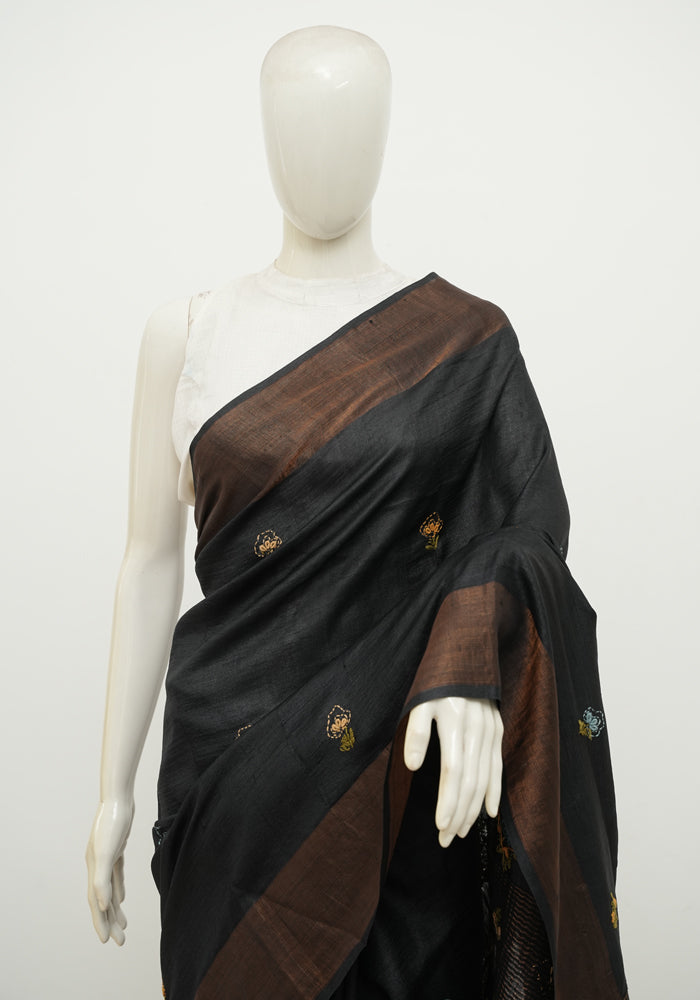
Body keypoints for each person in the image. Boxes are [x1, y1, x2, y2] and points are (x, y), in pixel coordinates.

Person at [86, 25, 627, 1000]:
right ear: (261, 133)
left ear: (385, 135)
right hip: (229, 780)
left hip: (407, 791)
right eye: (296, 122)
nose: (321, 149)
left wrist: (471, 651)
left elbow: (530, 531)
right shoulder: (188, 332)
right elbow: (148, 560)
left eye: (347, 122)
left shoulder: (466, 341)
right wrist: (112, 791)